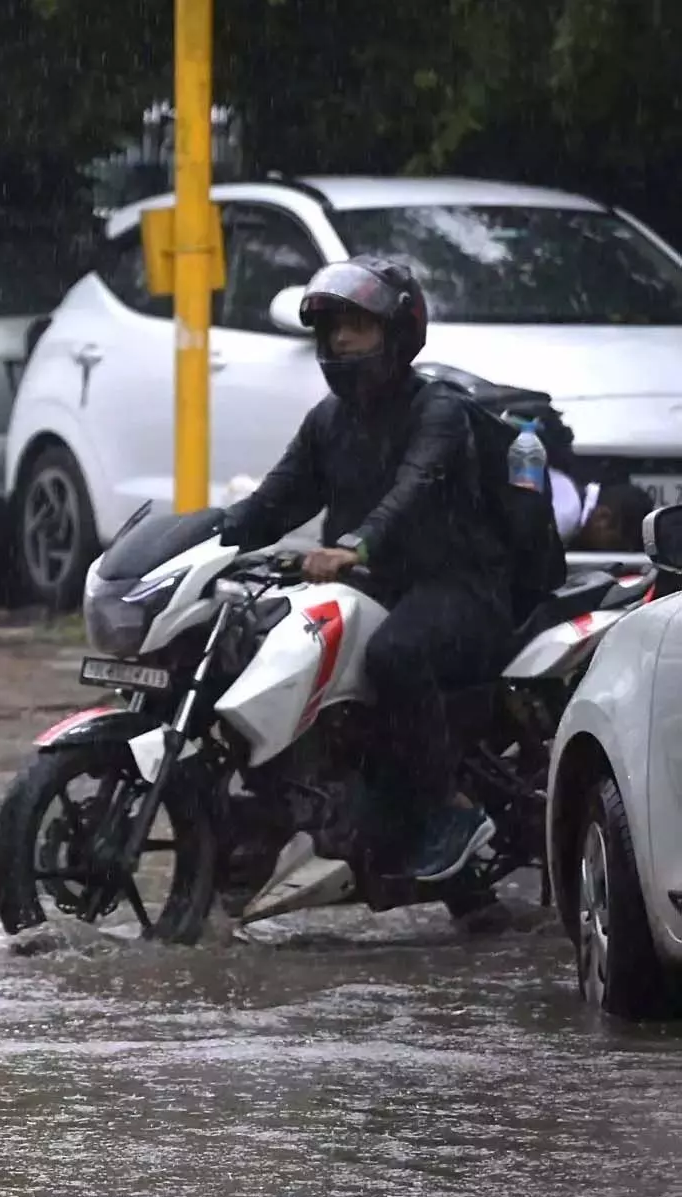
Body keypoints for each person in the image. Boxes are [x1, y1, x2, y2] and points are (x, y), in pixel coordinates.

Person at [220, 255, 511, 884]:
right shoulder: (328, 421)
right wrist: (201, 540)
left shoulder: (438, 411)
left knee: (394, 655)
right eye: (332, 328)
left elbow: (414, 489)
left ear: (398, 333)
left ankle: (446, 810)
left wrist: (357, 545)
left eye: (359, 326)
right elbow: (273, 503)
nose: (342, 339)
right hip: (370, 590)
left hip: (461, 589)